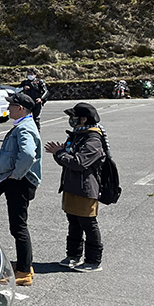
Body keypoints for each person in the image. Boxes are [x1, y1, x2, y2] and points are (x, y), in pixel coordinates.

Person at [0, 92, 42, 286]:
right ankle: (24, 264)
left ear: (20, 108)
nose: (8, 108)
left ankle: (24, 271)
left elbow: (28, 155)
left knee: (18, 227)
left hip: (20, 183)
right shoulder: (22, 126)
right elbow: (9, 155)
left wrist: (17, 174)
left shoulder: (24, 128)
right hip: (18, 181)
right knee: (17, 226)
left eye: (11, 105)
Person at [45, 102, 106, 273]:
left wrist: (59, 152)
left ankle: (93, 260)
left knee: (88, 223)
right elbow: (66, 160)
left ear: (84, 119)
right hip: (71, 186)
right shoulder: (78, 135)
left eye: (74, 117)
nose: (71, 120)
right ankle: (73, 255)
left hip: (86, 189)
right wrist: (60, 153)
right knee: (73, 222)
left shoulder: (93, 139)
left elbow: (78, 163)